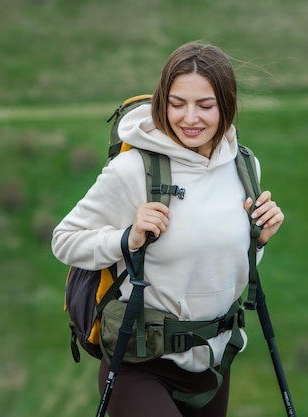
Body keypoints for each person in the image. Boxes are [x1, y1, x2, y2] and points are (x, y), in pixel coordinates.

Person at [51, 42, 284, 417]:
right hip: (139, 364)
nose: (190, 118)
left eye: (205, 105)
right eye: (177, 104)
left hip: (212, 364)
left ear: (227, 104)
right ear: (162, 102)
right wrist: (127, 238)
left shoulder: (244, 167)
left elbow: (225, 263)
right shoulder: (132, 170)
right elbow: (64, 241)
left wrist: (259, 239)